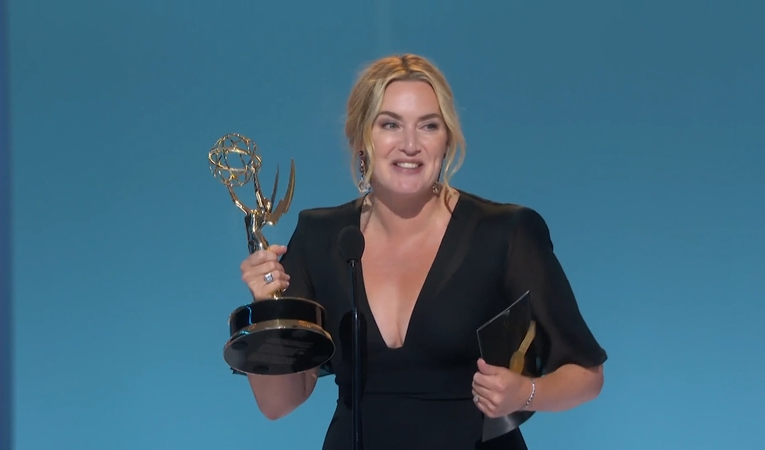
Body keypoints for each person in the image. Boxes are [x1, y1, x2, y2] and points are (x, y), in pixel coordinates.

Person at [239, 54, 607, 449]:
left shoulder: (505, 233)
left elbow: (587, 376)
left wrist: (525, 394)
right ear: (361, 138)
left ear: (446, 140)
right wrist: (266, 311)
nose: (410, 145)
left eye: (428, 125)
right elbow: (278, 404)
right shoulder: (320, 237)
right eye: (390, 124)